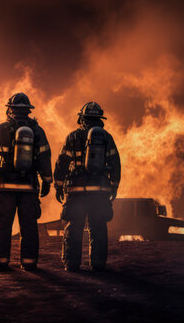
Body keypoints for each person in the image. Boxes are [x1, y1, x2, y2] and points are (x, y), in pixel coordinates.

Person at [0, 93, 52, 271]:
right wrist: (47, 181)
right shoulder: (37, 131)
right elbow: (44, 158)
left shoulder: (1, 129)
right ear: (28, 110)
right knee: (29, 225)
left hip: (5, 186)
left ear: (10, 109)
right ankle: (29, 262)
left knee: (3, 224)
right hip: (29, 186)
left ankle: (1, 261)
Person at [54, 101, 121, 272]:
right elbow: (115, 163)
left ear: (82, 118)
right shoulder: (107, 138)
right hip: (100, 194)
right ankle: (98, 263)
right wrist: (114, 187)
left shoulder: (73, 137)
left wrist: (58, 185)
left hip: (76, 193)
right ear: (100, 119)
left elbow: (62, 163)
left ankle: (71, 264)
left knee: (74, 229)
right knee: (98, 228)